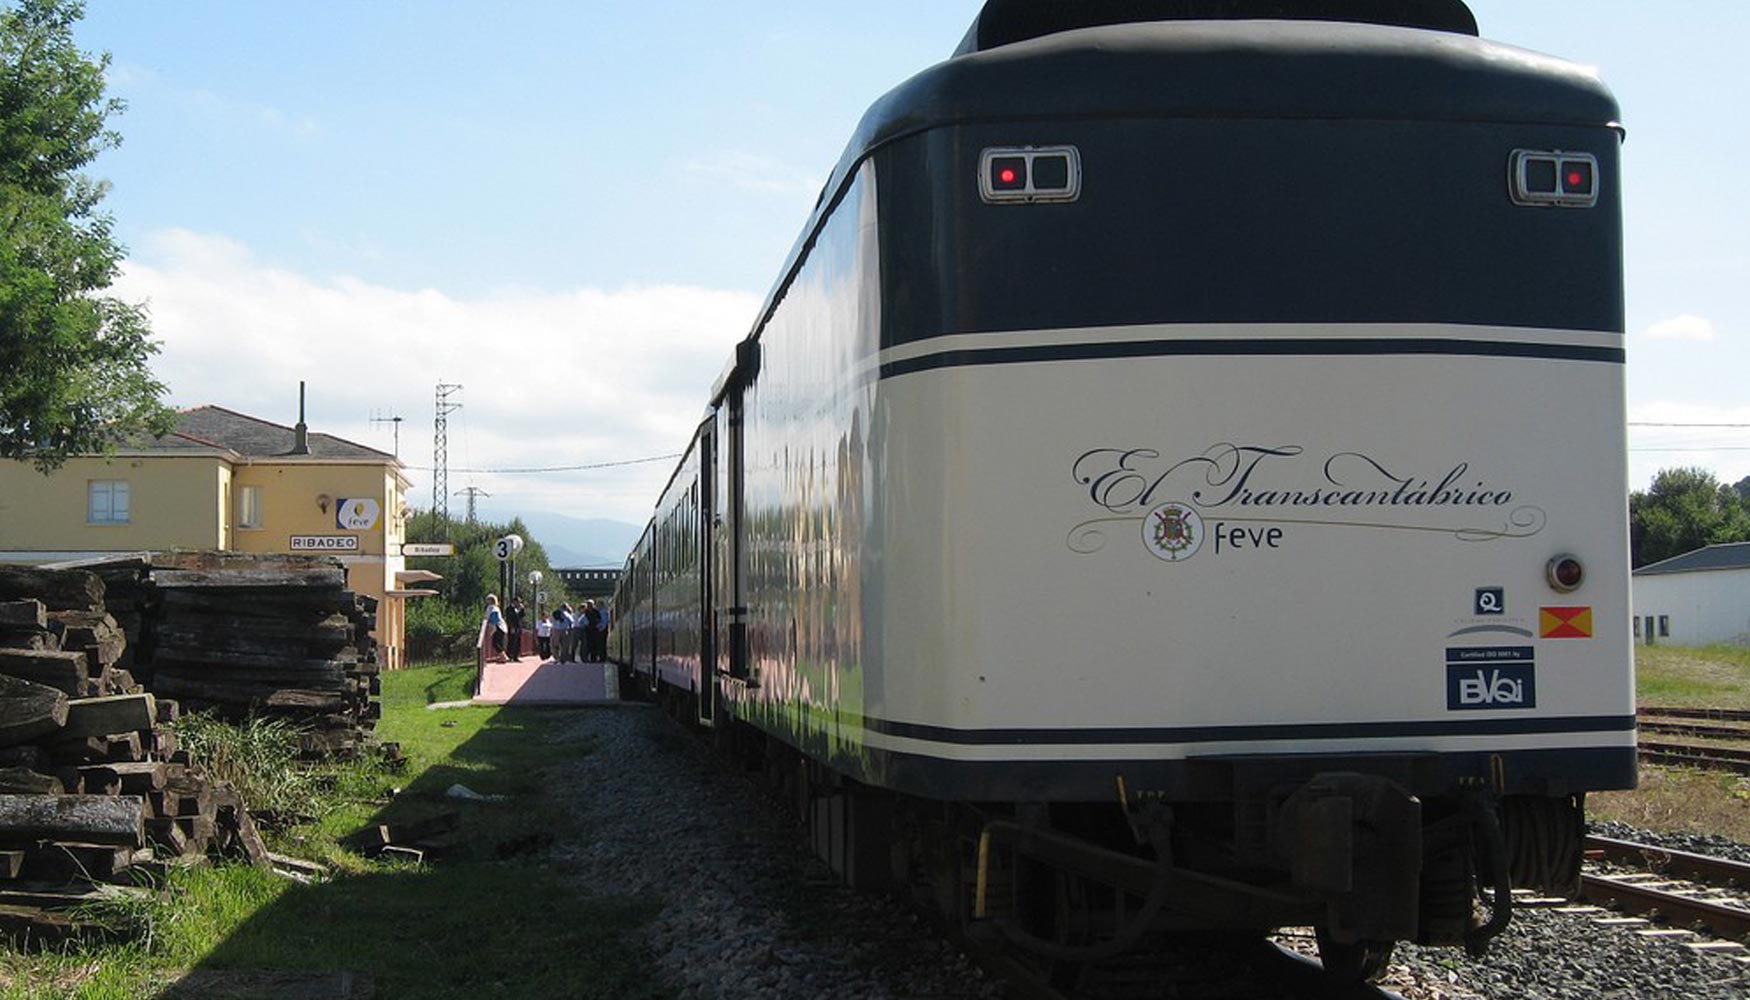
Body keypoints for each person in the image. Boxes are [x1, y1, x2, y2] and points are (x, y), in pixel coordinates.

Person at [483, 594, 508, 663]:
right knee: (498, 642)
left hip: (498, 627)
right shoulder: (493, 607)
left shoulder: (493, 608)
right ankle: (502, 657)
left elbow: (494, 618)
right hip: (499, 627)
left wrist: (492, 627)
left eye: (488, 599)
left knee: (496, 643)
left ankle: (503, 657)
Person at [505, 597, 526, 661]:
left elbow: (522, 616)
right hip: (512, 627)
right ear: (514, 602)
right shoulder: (509, 609)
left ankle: (516, 656)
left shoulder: (518, 609)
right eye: (518, 602)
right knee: (512, 641)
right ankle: (510, 656)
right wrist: (511, 627)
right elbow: (509, 618)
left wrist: (522, 609)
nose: (519, 603)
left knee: (518, 642)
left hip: (518, 627)